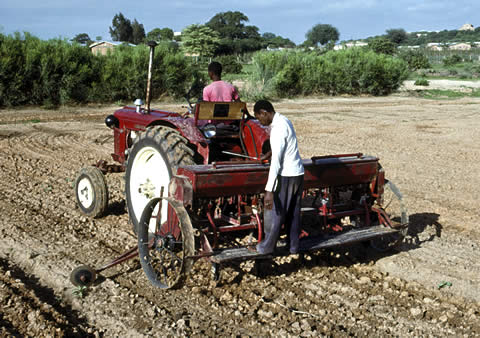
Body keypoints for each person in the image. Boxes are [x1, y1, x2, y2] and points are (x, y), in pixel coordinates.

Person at [252, 100, 304, 254]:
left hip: (286, 175)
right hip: (298, 173)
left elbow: (276, 162)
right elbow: (285, 147)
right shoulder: (285, 120)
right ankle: (293, 246)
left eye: (259, 118)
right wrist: (268, 153)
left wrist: (269, 190)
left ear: (264, 112)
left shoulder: (277, 129)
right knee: (294, 214)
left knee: (275, 213)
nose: (260, 122)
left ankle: (266, 247)